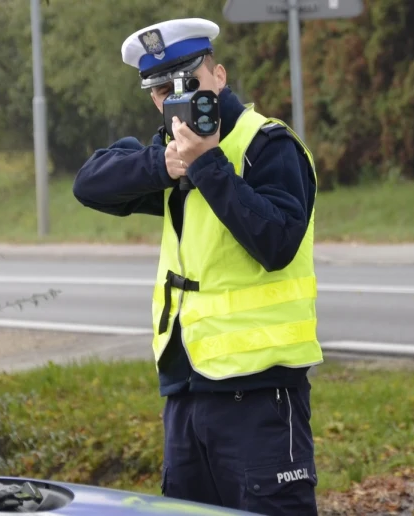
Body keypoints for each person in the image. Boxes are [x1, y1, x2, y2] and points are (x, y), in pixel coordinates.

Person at [72, 17, 323, 516]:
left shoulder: (267, 146)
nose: (176, 99)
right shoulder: (168, 155)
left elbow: (276, 243)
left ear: (220, 76)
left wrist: (208, 165)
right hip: (185, 395)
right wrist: (163, 166)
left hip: (259, 396)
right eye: (162, 91)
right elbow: (90, 183)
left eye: (189, 82)